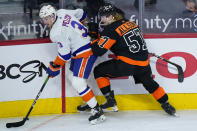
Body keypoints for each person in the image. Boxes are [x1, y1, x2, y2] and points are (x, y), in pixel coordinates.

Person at [78, 3, 176, 116]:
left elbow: (98, 51)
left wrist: (94, 36)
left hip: (128, 63)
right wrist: (101, 37)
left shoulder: (110, 29)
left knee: (99, 71)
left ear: (111, 17)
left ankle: (110, 101)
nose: (101, 19)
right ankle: (166, 104)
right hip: (144, 63)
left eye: (104, 16)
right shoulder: (131, 23)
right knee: (150, 83)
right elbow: (120, 40)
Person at [39, 4, 106, 124]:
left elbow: (65, 55)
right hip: (82, 47)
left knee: (78, 82)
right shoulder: (62, 12)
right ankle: (90, 101)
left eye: (48, 18)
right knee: (70, 75)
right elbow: (82, 13)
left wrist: (55, 66)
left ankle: (97, 110)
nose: (45, 21)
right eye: (44, 19)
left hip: (86, 52)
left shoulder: (55, 33)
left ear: (53, 15)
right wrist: (76, 32)